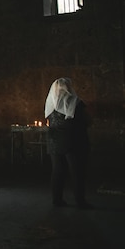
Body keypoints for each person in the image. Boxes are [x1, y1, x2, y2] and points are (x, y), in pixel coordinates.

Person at [44, 77, 92, 209]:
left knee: (58, 170)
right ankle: (80, 201)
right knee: (77, 171)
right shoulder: (75, 102)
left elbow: (49, 121)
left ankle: (57, 199)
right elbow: (87, 121)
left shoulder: (51, 104)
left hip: (54, 141)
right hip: (74, 140)